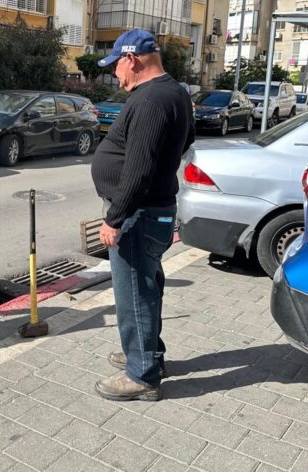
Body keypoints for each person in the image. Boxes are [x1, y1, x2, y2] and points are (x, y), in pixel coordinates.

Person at [90, 30, 195, 402]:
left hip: (139, 215)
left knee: (135, 294)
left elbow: (139, 170)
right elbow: (187, 141)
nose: (114, 74)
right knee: (146, 289)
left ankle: (142, 375)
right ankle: (147, 355)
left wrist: (114, 218)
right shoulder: (175, 92)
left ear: (131, 59)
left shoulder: (150, 101)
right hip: (154, 211)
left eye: (115, 65)